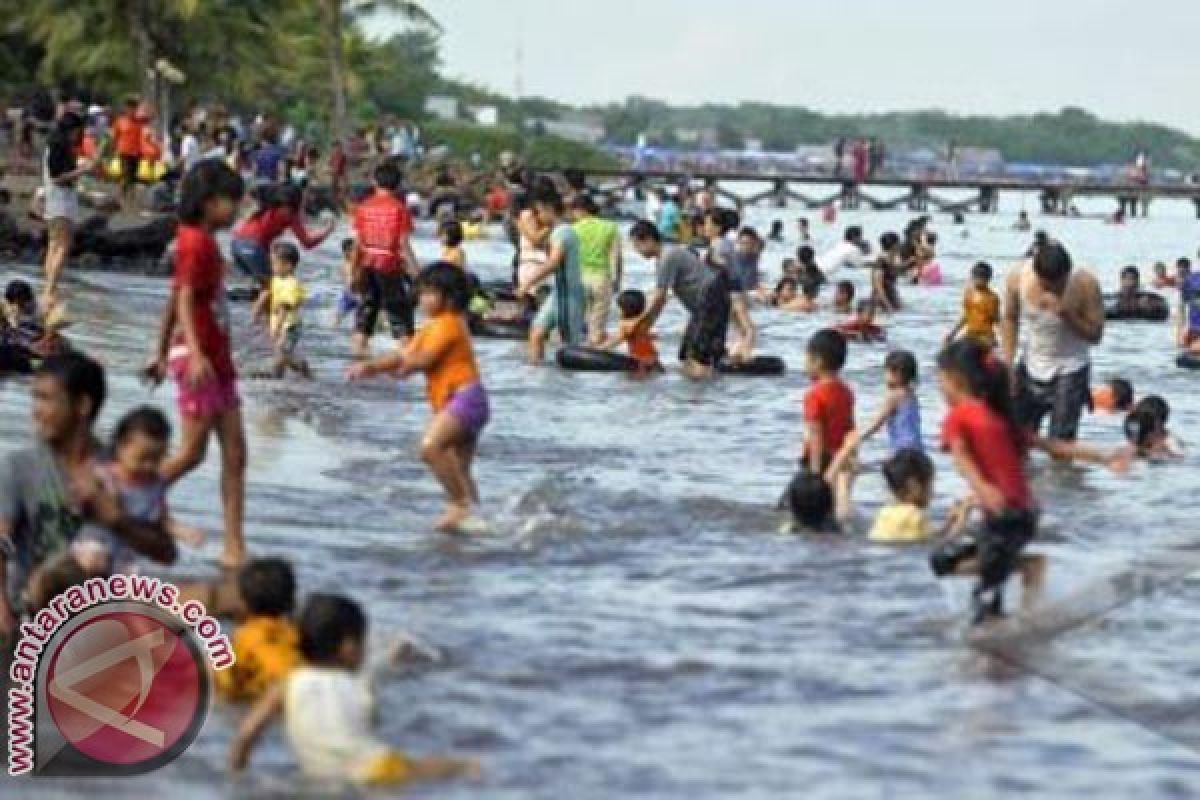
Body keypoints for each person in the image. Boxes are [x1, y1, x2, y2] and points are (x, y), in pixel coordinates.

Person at [0, 354, 177, 641]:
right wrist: (3, 612)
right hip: (27, 619)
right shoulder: (19, 467)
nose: (36, 411)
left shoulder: (124, 473)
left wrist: (118, 522)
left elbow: (166, 552)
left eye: (47, 400)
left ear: (82, 405)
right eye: (35, 399)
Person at [229, 594, 479, 786]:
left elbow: (246, 734)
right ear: (349, 647)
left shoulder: (286, 685)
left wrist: (236, 777)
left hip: (328, 778)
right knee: (459, 766)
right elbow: (367, 723)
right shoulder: (357, 687)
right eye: (363, 643)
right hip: (378, 770)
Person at [148, 160, 248, 569]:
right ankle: (128, 498)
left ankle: (234, 547)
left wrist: (157, 352)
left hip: (215, 359)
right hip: (199, 359)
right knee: (191, 453)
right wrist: (194, 351)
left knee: (236, 454)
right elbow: (186, 298)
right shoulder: (195, 243)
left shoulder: (202, 240)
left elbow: (175, 298)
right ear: (209, 203)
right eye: (232, 203)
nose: (237, 211)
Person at [348, 264, 489, 533]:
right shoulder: (431, 326)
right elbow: (404, 354)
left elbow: (421, 360)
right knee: (460, 467)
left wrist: (404, 369)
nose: (423, 299)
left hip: (465, 399)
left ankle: (460, 505)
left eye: (430, 294)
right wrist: (373, 367)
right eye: (421, 293)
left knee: (430, 447)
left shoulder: (450, 325)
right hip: (460, 401)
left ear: (450, 297)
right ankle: (474, 519)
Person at [932, 339, 1038, 623]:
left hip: (1007, 515)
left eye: (940, 379)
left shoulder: (963, 416)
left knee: (984, 596)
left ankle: (995, 647)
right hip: (1011, 514)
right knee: (973, 577)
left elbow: (962, 458)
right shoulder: (994, 417)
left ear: (956, 380)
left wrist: (982, 488)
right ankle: (1024, 575)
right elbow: (1043, 448)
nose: (939, 387)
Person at [72, 407, 205, 575]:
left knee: (142, 578)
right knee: (94, 559)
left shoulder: (156, 486)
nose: (149, 466)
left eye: (157, 459)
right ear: (121, 448)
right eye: (142, 459)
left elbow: (163, 520)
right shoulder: (105, 474)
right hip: (97, 541)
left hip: (130, 551)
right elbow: (82, 497)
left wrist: (183, 531)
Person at [1002, 239, 1104, 445]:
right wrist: (1008, 364)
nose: (1054, 290)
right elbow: (1010, 318)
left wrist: (1068, 315)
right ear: (1037, 276)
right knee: (1015, 439)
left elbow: (1096, 335)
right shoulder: (1018, 277)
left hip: (1071, 368)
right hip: (1031, 365)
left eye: (1060, 285)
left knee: (1060, 443)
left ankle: (1061, 477)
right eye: (1047, 286)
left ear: (1067, 273)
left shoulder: (1085, 283)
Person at [628, 220, 733, 379]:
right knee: (688, 354)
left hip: (710, 301)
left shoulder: (667, 256)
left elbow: (660, 298)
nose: (637, 251)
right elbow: (658, 295)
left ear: (648, 239)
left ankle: (703, 398)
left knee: (698, 357)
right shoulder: (666, 257)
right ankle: (707, 395)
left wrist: (644, 324)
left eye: (637, 245)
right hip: (707, 305)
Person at [351, 162, 419, 359]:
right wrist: (417, 273)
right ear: (397, 185)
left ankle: (359, 356)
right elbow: (403, 245)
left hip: (366, 264)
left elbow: (358, 244)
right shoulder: (400, 209)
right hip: (389, 265)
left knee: (366, 311)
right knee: (400, 313)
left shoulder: (363, 208)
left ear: (374, 181)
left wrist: (353, 271)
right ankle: (407, 359)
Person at [215, 557, 301, 702]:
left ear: (243, 603)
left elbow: (228, 684)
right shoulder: (297, 632)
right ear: (292, 601)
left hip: (265, 697)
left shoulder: (247, 637)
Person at [519, 185, 586, 363]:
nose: (538, 217)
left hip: (569, 297)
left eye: (539, 212)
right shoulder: (555, 232)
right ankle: (536, 374)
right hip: (557, 294)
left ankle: (568, 386)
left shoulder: (563, 232)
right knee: (536, 333)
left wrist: (528, 283)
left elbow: (553, 262)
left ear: (549, 208)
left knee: (569, 345)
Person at [231, 183, 334, 289]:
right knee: (273, 289)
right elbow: (307, 243)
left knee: (254, 289)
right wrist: (328, 230)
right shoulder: (289, 214)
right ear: (296, 200)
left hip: (235, 245)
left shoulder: (267, 205)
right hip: (253, 248)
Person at [41, 112, 91, 303]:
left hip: (54, 200)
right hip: (60, 201)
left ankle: (49, 288)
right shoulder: (58, 146)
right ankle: (50, 289)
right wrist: (82, 170)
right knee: (62, 245)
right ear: (72, 129)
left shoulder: (54, 145)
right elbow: (58, 177)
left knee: (54, 245)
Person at [252, 242, 312, 379]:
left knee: (281, 352)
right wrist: (258, 307)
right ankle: (298, 366)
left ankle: (278, 376)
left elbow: (285, 308)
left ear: (288, 266)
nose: (272, 267)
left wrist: (277, 327)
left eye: (275, 264)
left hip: (290, 325)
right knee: (282, 353)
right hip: (279, 323)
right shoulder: (277, 278)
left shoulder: (292, 284)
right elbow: (267, 291)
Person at [847, 350, 922, 455]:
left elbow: (876, 425)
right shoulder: (911, 395)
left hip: (902, 450)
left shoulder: (894, 396)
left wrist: (857, 440)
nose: (885, 376)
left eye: (887, 371)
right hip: (917, 448)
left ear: (897, 373)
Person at [801, 329, 855, 477]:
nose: (804, 363)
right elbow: (850, 428)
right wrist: (851, 458)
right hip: (838, 461)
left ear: (817, 361)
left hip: (818, 462)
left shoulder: (814, 395)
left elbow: (816, 436)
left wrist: (814, 476)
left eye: (806, 358)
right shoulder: (846, 391)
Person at [571, 194, 622, 345]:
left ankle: (582, 357)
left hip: (579, 279)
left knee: (584, 322)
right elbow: (616, 258)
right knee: (597, 325)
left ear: (579, 210)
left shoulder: (573, 229)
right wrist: (617, 280)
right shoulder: (610, 227)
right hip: (601, 278)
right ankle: (595, 355)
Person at [867, 449, 936, 543]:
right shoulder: (916, 515)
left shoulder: (884, 512)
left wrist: (948, 526)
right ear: (914, 485)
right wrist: (958, 524)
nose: (933, 493)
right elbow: (934, 542)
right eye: (930, 485)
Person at [601, 289, 661, 372]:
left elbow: (616, 340)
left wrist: (598, 349)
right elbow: (641, 336)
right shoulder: (641, 321)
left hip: (641, 362)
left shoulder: (626, 325)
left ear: (625, 309)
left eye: (620, 308)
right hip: (653, 359)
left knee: (633, 382)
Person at [945, 262, 1001, 347]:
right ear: (972, 277)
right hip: (970, 335)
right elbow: (966, 316)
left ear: (988, 279)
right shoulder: (968, 294)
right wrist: (952, 333)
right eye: (976, 277)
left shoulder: (992, 298)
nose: (978, 280)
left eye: (982, 278)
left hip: (985, 337)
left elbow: (997, 320)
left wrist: (1002, 339)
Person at [112, 97, 143, 212]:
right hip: (124, 152)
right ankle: (120, 200)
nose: (132, 110)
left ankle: (131, 203)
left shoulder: (138, 122)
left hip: (136, 153)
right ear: (126, 109)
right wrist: (113, 151)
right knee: (125, 177)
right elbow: (114, 137)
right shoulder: (120, 121)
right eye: (130, 108)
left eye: (134, 108)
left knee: (133, 179)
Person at [871, 232, 902, 313]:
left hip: (891, 296)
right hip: (881, 301)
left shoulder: (894, 258)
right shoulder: (881, 261)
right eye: (898, 243)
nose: (900, 245)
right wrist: (888, 306)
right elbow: (878, 286)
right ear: (894, 245)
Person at [334, 238, 361, 329]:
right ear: (346, 252)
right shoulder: (345, 266)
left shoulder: (359, 263)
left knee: (359, 321)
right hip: (349, 295)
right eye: (353, 250)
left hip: (358, 294)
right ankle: (334, 329)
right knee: (339, 315)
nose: (357, 252)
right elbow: (348, 283)